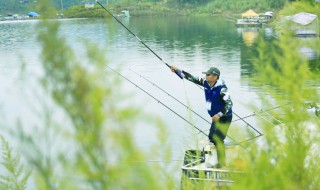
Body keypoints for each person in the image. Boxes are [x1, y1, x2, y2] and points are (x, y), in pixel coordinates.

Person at [171, 66, 233, 168]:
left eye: (208, 75)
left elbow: (229, 104)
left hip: (225, 117)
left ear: (215, 77)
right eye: (206, 74)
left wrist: (219, 114)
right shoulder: (206, 83)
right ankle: (211, 157)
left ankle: (222, 163)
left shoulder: (222, 89)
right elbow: (191, 78)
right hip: (215, 117)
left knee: (218, 139)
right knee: (211, 137)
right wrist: (177, 70)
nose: (206, 76)